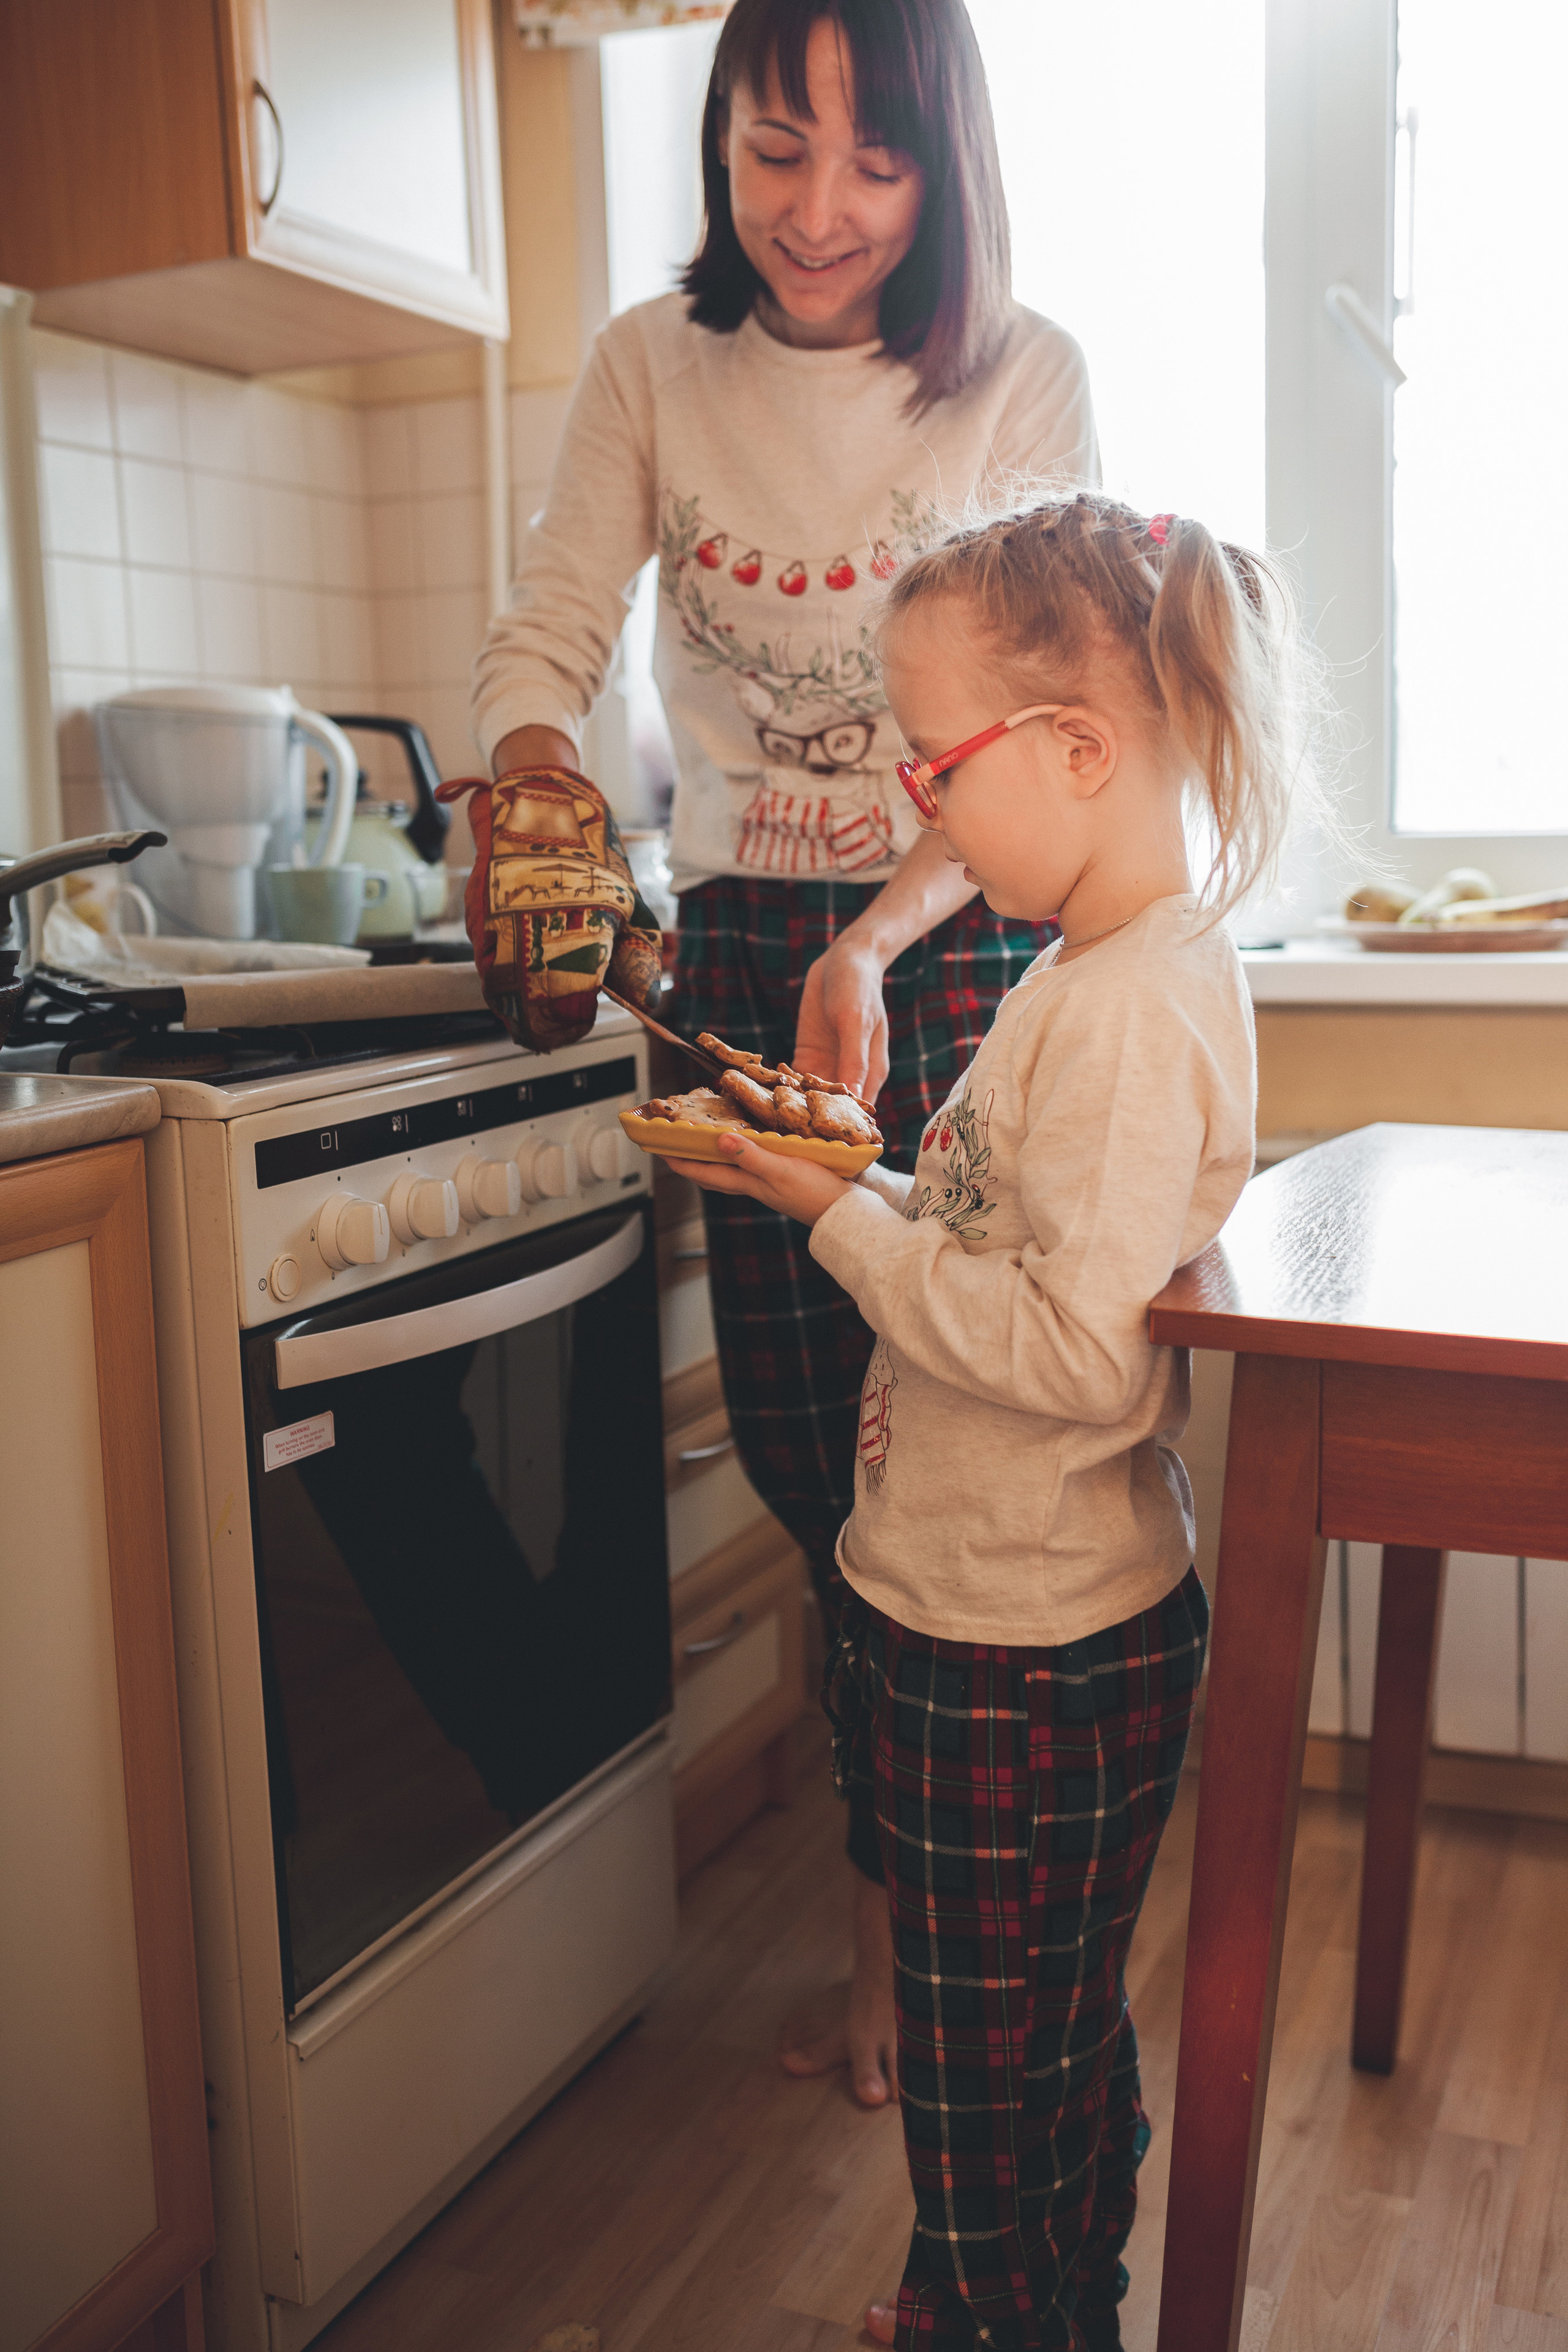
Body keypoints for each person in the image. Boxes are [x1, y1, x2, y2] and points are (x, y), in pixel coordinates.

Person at [470, 0, 1097, 2106]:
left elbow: (1034, 722)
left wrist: (891, 926)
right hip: (737, 950)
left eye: (876, 162)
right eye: (771, 150)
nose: (818, 211)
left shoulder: (1024, 376)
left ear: (948, 168)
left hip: (963, 937)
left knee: (983, 1445)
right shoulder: (658, 370)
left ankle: (992, 1921)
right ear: (720, 150)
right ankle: (885, 1929)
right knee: (827, 1476)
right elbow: (550, 629)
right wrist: (538, 775)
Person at [669, 486, 1321, 2347]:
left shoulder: (1128, 1011)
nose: (919, 813)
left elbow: (1073, 1359)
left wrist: (839, 1219)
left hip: (1022, 1652)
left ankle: (991, 2307)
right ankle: (1032, 2296)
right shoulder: (1089, 973)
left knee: (985, 2059)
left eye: (937, 767)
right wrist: (871, 1172)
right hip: (977, 1614)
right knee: (1030, 2028)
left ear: (1079, 749)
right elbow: (1020, 1231)